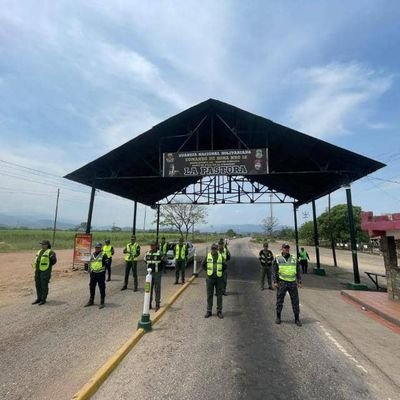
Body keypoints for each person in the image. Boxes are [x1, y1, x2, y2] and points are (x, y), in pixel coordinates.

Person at [273, 243, 302, 326]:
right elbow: (274, 270)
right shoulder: (278, 258)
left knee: (295, 301)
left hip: (292, 282)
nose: (287, 249)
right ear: (282, 249)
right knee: (279, 300)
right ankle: (278, 317)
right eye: (285, 248)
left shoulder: (294, 258)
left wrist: (299, 281)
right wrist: (275, 281)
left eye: (288, 248)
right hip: (282, 282)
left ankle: (297, 319)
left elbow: (298, 270)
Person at [203, 243, 226, 319]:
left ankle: (219, 311)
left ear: (217, 249)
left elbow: (225, 266)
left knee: (219, 296)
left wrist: (219, 272)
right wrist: (208, 271)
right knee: (209, 295)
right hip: (210, 279)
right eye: (212, 249)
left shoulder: (220, 256)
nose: (214, 250)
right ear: (211, 249)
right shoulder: (208, 256)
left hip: (219, 279)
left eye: (215, 249)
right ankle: (209, 311)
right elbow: (203, 265)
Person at [32, 240, 57, 305]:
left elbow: (54, 261)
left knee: (44, 285)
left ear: (47, 245)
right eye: (41, 244)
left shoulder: (51, 252)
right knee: (38, 285)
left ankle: (43, 299)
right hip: (37, 270)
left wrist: (48, 266)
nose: (42, 245)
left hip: (45, 271)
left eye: (43, 244)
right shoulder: (39, 251)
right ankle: (38, 298)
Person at [85, 242, 108, 309]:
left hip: (100, 273)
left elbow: (107, 264)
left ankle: (102, 302)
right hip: (93, 273)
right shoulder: (92, 255)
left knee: (102, 287)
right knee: (92, 286)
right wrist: (89, 269)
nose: (97, 248)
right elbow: (89, 263)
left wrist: (104, 268)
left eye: (98, 247)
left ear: (101, 248)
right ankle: (91, 300)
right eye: (96, 247)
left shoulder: (104, 255)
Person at [145, 241, 163, 311]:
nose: (152, 247)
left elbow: (164, 260)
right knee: (149, 289)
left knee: (157, 289)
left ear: (156, 246)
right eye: (151, 245)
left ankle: (157, 304)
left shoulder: (160, 253)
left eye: (153, 245)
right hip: (149, 274)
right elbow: (145, 261)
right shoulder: (147, 253)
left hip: (157, 273)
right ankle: (149, 304)